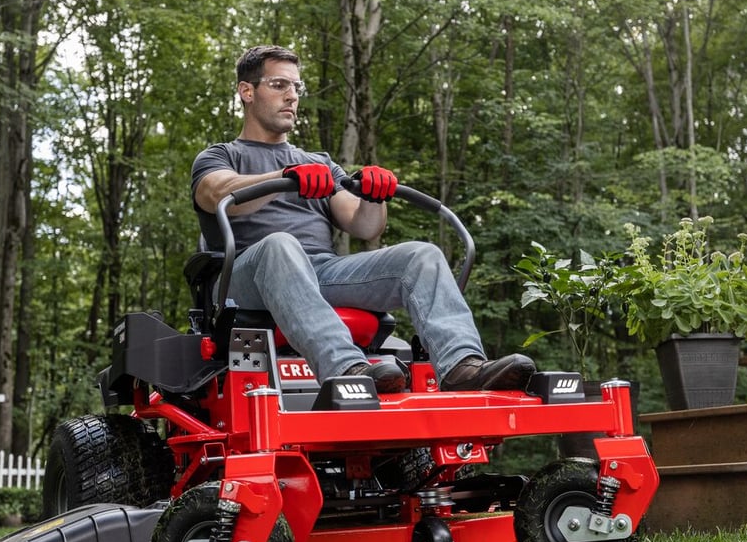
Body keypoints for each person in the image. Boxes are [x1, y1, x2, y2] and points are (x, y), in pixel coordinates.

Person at [191, 45, 535, 395]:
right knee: (281, 245)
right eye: (279, 85)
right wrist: (285, 176)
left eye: (297, 87)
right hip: (245, 280)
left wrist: (375, 197)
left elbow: (365, 225)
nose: (292, 96)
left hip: (321, 273)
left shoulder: (319, 162)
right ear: (247, 91)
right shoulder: (221, 155)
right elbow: (219, 194)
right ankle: (346, 368)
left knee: (422, 255)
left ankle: (462, 365)